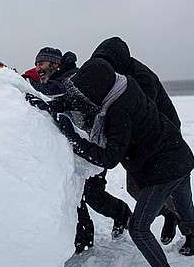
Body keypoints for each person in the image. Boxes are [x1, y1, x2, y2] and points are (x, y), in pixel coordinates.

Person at [34, 58, 194, 267]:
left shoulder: (118, 111)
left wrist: (71, 136)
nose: (86, 96)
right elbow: (88, 101)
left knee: (138, 228)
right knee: (187, 210)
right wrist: (53, 105)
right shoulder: (122, 86)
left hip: (164, 169)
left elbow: (108, 159)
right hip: (178, 155)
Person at [91, 37, 194, 253]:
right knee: (135, 188)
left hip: (163, 140)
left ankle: (190, 233)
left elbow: (136, 112)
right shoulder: (118, 75)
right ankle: (169, 215)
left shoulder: (140, 78)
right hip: (139, 143)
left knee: (170, 190)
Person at [27, 50, 131, 253]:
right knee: (75, 195)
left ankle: (122, 214)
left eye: (43, 63)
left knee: (93, 196)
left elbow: (57, 90)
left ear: (56, 64)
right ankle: (83, 238)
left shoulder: (72, 77)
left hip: (93, 148)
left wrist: (26, 85)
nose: (38, 68)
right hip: (75, 151)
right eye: (36, 63)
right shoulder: (55, 78)